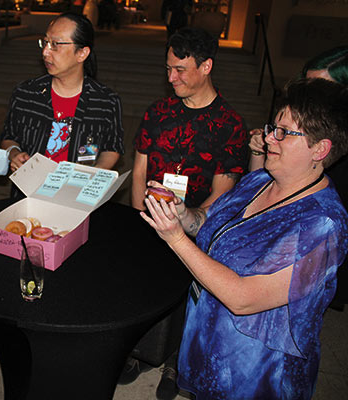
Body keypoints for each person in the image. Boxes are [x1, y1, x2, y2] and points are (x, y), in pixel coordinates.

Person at [142, 78, 348, 399]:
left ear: (320, 149)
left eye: (284, 133)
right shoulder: (261, 180)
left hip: (256, 374)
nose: (269, 139)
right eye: (272, 127)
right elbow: (209, 223)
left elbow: (243, 298)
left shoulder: (321, 225)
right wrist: (182, 214)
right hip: (210, 347)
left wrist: (175, 238)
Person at [128, 26, 249, 399]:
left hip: (194, 231)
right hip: (149, 220)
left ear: (207, 66)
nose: (171, 77)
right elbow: (140, 169)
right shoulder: (158, 111)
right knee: (141, 290)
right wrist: (139, 218)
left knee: (184, 298)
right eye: (168, 68)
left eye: (180, 69)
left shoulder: (230, 125)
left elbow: (221, 196)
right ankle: (134, 351)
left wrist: (184, 222)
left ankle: (174, 365)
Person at [249, 45, 348, 310]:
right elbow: (257, 188)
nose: (309, 94)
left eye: (321, 86)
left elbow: (242, 299)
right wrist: (268, 149)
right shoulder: (295, 129)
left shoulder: (327, 209)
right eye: (308, 83)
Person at [0, 12, 124, 179]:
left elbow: (112, 147)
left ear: (82, 53)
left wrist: (93, 174)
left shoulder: (105, 101)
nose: (45, 52)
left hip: (77, 196)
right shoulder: (26, 94)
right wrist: (14, 153)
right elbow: (9, 137)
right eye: (45, 42)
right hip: (29, 191)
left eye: (55, 44)